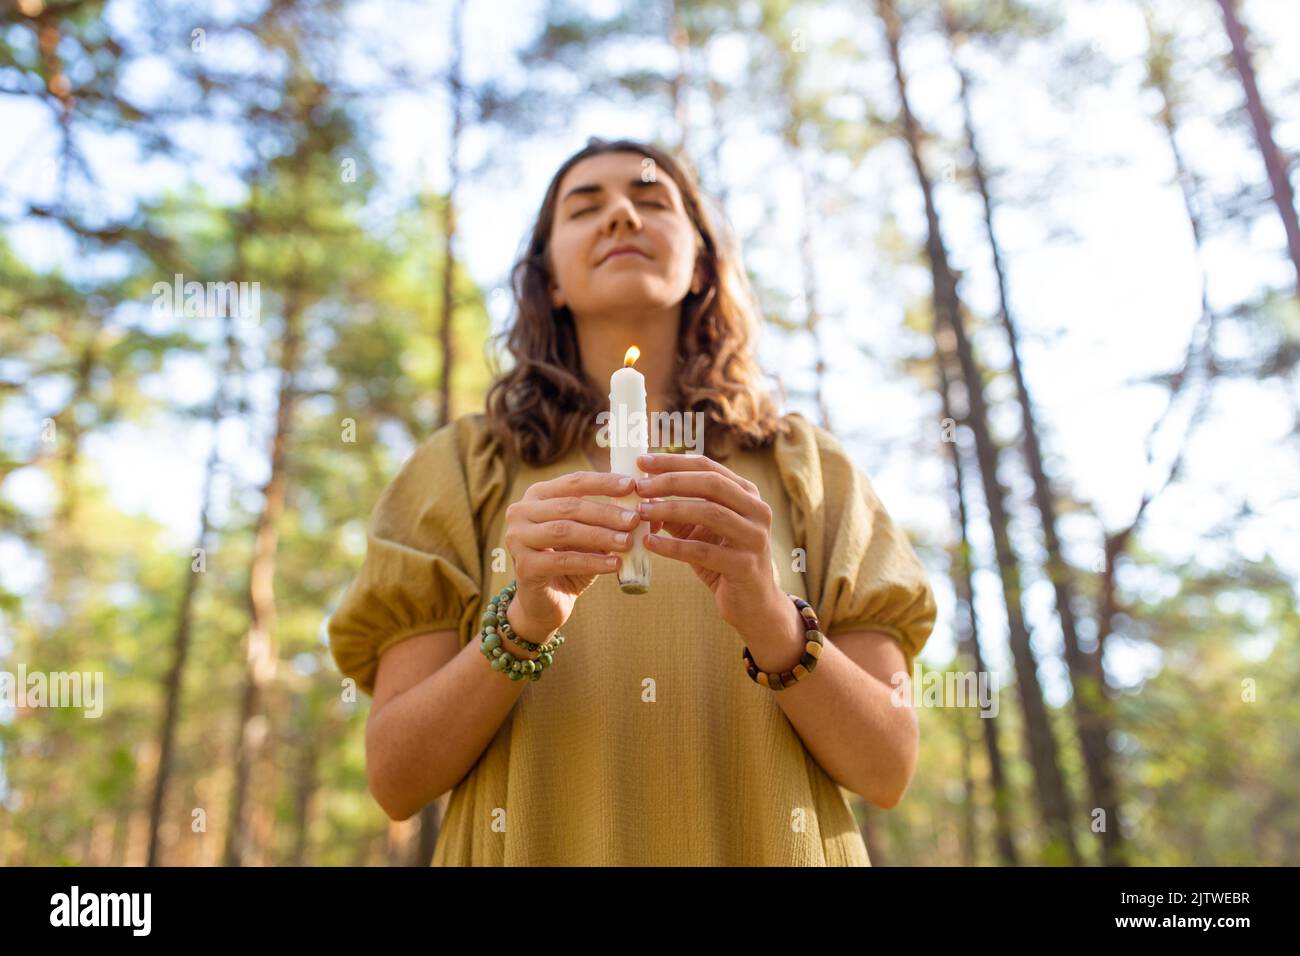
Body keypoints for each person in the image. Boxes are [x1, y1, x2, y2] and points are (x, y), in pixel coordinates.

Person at [327, 136, 937, 865]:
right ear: (549, 277)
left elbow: (889, 767)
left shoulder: (809, 467)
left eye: (650, 201)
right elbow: (397, 779)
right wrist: (523, 624)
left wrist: (771, 619)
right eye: (585, 207)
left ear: (702, 265)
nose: (620, 215)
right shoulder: (461, 467)